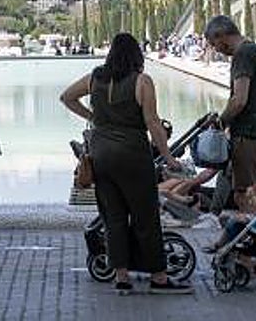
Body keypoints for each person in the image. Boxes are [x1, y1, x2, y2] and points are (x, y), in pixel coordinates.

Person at [60, 33, 191, 295]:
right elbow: (153, 123)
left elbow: (66, 97)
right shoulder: (142, 81)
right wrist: (167, 157)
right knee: (146, 217)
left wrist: (94, 117)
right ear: (136, 56)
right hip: (132, 155)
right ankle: (159, 278)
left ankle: (121, 277)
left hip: (101, 155)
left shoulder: (96, 78)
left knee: (114, 218)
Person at [204, 15, 256, 206]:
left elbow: (239, 100)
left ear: (221, 36)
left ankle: (252, 234)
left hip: (248, 135)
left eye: (213, 43)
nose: (215, 49)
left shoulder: (242, 55)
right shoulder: (255, 51)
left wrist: (220, 123)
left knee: (245, 195)